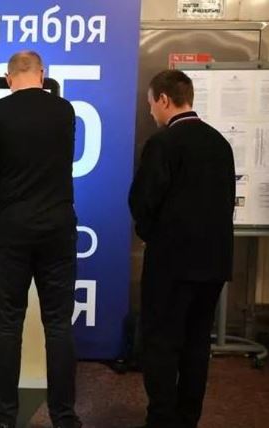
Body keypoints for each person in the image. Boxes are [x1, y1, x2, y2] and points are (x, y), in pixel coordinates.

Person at [0, 51, 81, 428]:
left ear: (8, 77)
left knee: (8, 325)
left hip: (10, 231)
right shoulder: (64, 111)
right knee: (59, 324)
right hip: (58, 229)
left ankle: (2, 413)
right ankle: (64, 416)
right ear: (42, 75)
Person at [129, 69, 235, 428]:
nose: (150, 112)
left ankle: (161, 418)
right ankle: (188, 418)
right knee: (197, 343)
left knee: (162, 342)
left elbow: (143, 201)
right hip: (214, 262)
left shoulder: (163, 144)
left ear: (163, 99)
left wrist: (149, 233)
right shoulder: (220, 143)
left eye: (150, 104)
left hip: (172, 263)